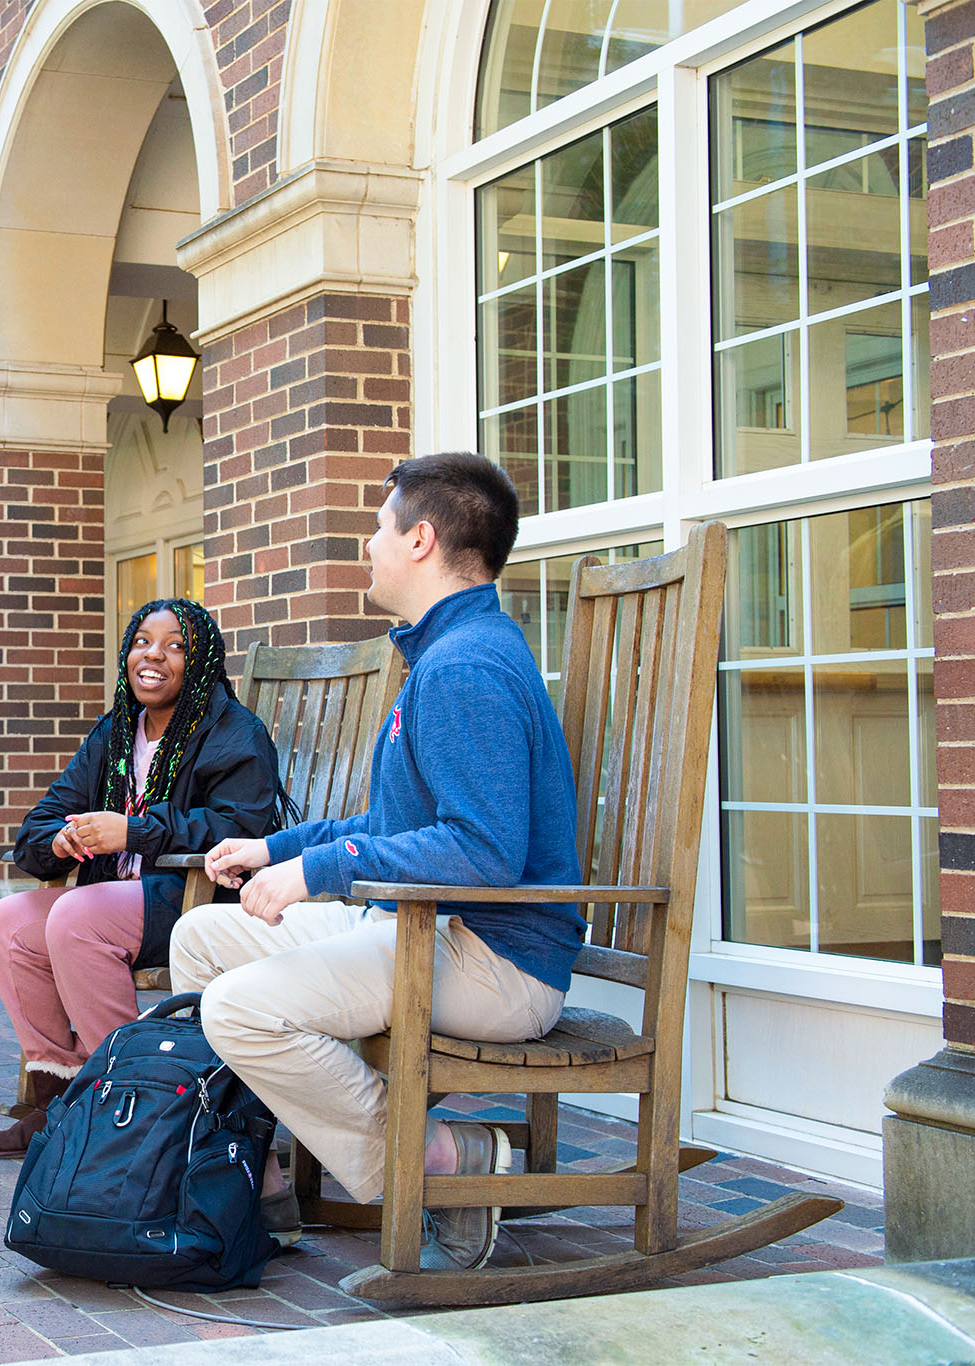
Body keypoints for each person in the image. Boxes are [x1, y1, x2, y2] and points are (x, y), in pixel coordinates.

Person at [177, 452, 583, 1270]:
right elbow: (395, 823)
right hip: (427, 929)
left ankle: (440, 1159)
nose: (367, 543)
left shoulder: (465, 668)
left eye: (376, 525)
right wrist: (277, 849)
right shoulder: (444, 654)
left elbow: (482, 851)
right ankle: (257, 1169)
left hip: (494, 959)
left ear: (421, 539)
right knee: (201, 943)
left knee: (240, 1011)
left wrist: (317, 874)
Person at [0, 599, 285, 1159]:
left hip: (197, 902)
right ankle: (64, 1099)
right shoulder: (116, 733)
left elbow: (242, 826)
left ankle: (140, 1105)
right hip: (113, 902)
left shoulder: (233, 732)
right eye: (143, 641)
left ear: (203, 661)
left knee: (75, 916)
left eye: (176, 646)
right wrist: (60, 840)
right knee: (8, 923)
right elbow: (41, 821)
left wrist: (134, 832)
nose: (154, 656)